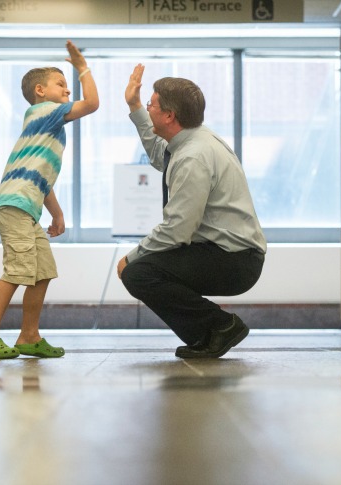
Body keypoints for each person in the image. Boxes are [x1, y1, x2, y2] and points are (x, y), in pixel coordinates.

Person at [117, 64, 267, 359]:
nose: (148, 109)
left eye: (151, 105)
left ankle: (220, 326)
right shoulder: (192, 141)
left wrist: (130, 257)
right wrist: (135, 106)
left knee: (138, 273)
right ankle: (209, 334)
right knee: (145, 268)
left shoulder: (193, 157)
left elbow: (178, 229)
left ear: (169, 116)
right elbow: (160, 154)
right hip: (226, 252)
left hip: (235, 260)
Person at [0, 40, 99, 359]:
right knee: (17, 270)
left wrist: (56, 215)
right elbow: (93, 103)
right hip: (15, 205)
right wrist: (82, 66)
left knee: (41, 271)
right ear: (40, 91)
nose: (68, 91)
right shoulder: (45, 112)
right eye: (62, 84)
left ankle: (29, 336)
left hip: (26, 205)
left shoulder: (45, 126)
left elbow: (41, 180)